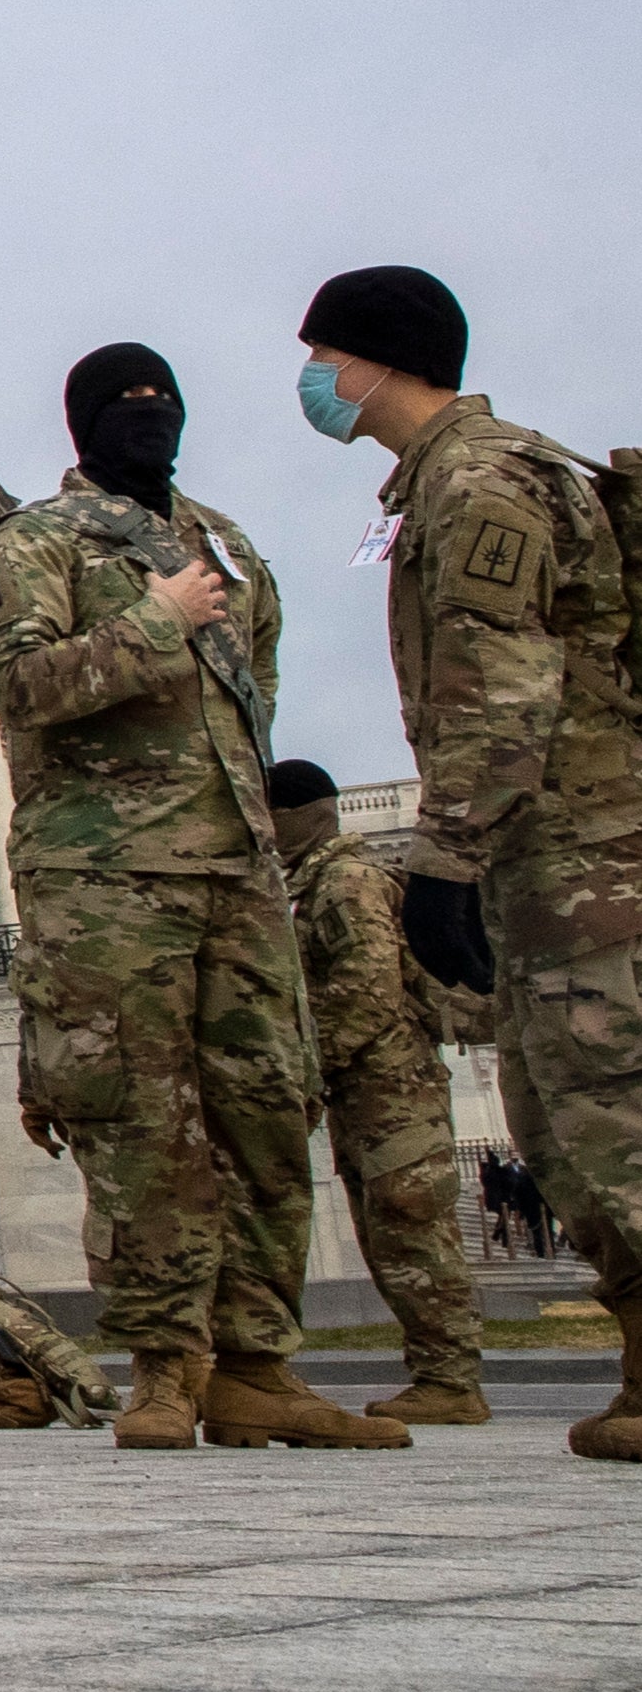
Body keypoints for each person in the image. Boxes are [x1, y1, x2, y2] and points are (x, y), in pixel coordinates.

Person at [0, 340, 393, 1451]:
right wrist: (155, 618)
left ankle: (257, 1364)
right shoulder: (35, 541)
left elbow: (253, 701)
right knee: (138, 1131)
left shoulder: (227, 545)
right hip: (105, 878)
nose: (146, 416)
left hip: (236, 868)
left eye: (162, 399)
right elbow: (17, 685)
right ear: (82, 423)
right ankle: (165, 1365)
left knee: (264, 1114)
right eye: (122, 403)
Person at [302, 265, 642, 1463]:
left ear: (375, 361)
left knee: (607, 1120)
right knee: (561, 1123)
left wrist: (446, 858)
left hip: (579, 854)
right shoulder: (463, 476)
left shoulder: (481, 479)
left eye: (323, 357)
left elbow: (502, 687)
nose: (315, 382)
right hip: (557, 848)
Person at [261, 759, 484, 1427]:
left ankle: (450, 1380)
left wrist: (309, 1065)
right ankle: (438, 1374)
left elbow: (367, 988)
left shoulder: (344, 882)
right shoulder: (319, 881)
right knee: (389, 1232)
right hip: (367, 1089)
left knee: (412, 1230)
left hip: (390, 1087)